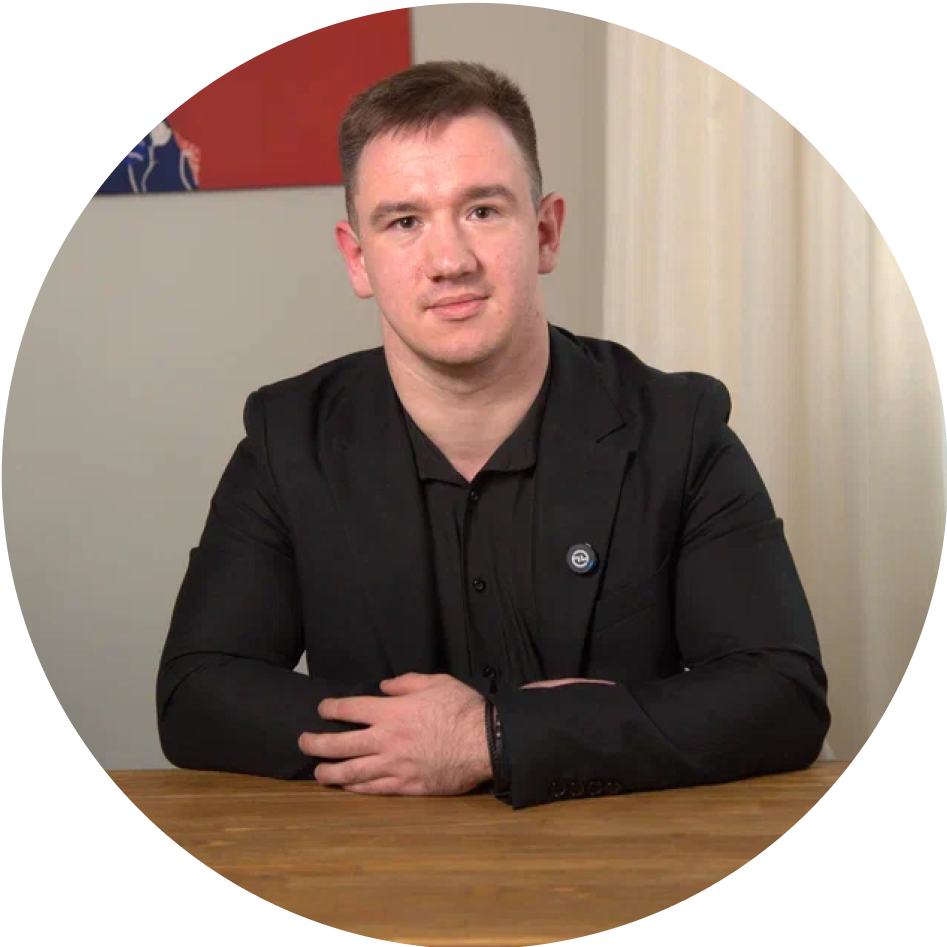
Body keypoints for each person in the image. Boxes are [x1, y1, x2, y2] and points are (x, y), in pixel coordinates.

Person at [156, 61, 830, 809]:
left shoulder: (680, 428)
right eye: (404, 222)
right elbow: (197, 694)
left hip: (621, 858)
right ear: (357, 258)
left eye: (481, 210)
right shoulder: (288, 439)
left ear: (545, 232)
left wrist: (494, 737)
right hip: (374, 866)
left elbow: (782, 694)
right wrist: (415, 740)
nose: (450, 261)